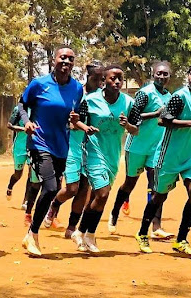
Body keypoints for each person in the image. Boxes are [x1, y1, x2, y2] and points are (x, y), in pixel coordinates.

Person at [134, 62, 191, 256]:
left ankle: (181, 240)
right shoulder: (179, 97)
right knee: (159, 196)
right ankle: (142, 233)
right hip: (169, 155)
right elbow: (163, 120)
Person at [18, 46, 84, 257]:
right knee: (50, 186)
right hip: (39, 143)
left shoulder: (76, 88)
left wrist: (75, 120)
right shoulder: (39, 84)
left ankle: (31, 233)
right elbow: (21, 105)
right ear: (54, 60)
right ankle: (33, 233)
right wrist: (27, 122)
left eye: (70, 59)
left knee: (53, 190)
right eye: (62, 57)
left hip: (61, 146)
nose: (66, 61)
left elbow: (74, 116)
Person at [69, 65, 137, 252]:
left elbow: (135, 130)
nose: (116, 82)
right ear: (104, 81)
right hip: (93, 153)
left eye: (119, 79)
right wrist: (84, 126)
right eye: (112, 78)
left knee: (101, 198)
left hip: (113, 156)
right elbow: (75, 124)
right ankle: (90, 234)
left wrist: (128, 125)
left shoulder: (128, 102)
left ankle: (82, 232)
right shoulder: (90, 100)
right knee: (103, 193)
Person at [108, 61, 174, 240]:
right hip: (137, 145)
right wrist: (155, 114)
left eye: (165, 74)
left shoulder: (170, 97)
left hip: (156, 148)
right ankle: (114, 213)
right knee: (130, 183)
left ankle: (156, 226)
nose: (162, 76)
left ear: (169, 76)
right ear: (153, 74)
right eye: (159, 73)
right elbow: (133, 116)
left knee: (156, 187)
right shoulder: (145, 93)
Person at [43, 62, 103, 237]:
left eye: (101, 79)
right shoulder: (76, 92)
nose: (99, 83)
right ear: (87, 76)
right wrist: (81, 126)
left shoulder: (101, 96)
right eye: (95, 79)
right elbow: (67, 120)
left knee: (85, 189)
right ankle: (54, 204)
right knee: (71, 188)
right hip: (72, 144)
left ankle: (72, 227)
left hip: (91, 147)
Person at [6, 100, 41, 227]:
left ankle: (26, 200)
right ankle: (10, 186)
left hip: (34, 146)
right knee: (18, 174)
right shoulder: (18, 110)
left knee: (32, 174)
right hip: (20, 146)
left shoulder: (40, 109)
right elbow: (9, 125)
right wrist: (23, 128)